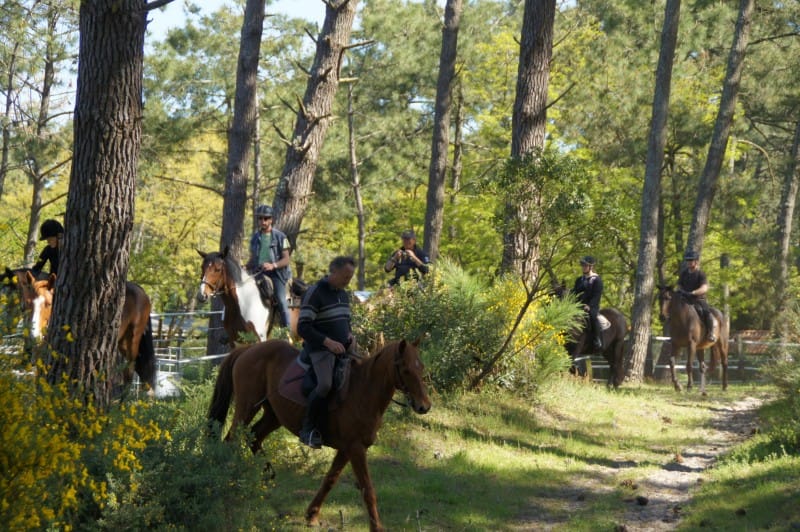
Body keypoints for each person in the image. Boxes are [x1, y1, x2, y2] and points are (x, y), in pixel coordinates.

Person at [297, 255, 357, 449]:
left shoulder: (344, 294)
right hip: (320, 349)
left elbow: (345, 322)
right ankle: (308, 429)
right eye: (346, 276)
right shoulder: (316, 292)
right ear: (334, 271)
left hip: (344, 348)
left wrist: (350, 335)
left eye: (351, 277)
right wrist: (328, 342)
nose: (348, 280)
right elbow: (303, 328)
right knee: (324, 385)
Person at [245, 205, 292, 328]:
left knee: (281, 299)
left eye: (266, 218)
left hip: (277, 274)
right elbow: (253, 258)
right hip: (258, 272)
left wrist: (273, 265)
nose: (263, 221)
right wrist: (245, 267)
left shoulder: (281, 237)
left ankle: (286, 329)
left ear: (271, 219)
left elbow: (287, 259)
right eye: (260, 218)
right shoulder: (255, 238)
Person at [677, 250, 715, 342]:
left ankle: (710, 333)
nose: (689, 262)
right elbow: (679, 285)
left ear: (696, 261)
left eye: (691, 260)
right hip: (685, 299)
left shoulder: (701, 274)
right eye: (688, 260)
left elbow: (704, 288)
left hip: (698, 299)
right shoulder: (684, 273)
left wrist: (693, 292)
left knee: (707, 313)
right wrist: (681, 291)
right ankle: (674, 334)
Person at [572, 255, 603, 351]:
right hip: (578, 305)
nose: (583, 267)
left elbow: (596, 295)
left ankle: (597, 339)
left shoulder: (597, 280)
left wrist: (589, 306)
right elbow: (575, 293)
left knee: (593, 317)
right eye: (583, 265)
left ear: (591, 267)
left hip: (591, 306)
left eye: (585, 265)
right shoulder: (579, 280)